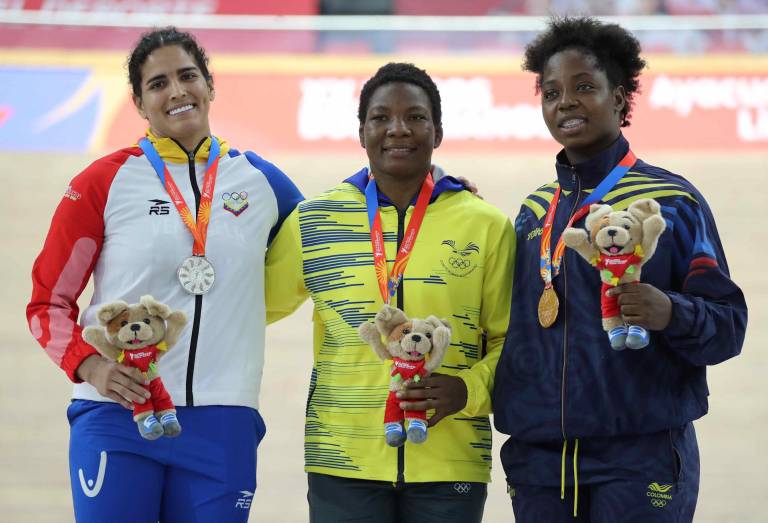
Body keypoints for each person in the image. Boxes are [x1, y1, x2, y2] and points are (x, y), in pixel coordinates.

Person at [26, 27, 303, 522]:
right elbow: (47, 303)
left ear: (210, 85)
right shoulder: (102, 182)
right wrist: (91, 367)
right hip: (118, 415)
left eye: (187, 76)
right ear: (138, 102)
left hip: (223, 419)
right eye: (158, 84)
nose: (176, 91)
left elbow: (334, 235)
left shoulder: (262, 181)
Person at [492, 17, 747, 523]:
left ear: (620, 97)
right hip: (540, 462)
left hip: (639, 458)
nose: (566, 102)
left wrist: (670, 311)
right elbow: (507, 327)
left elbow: (728, 326)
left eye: (585, 87)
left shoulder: (670, 202)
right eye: (551, 92)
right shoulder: (534, 212)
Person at [265, 62, 514, 523]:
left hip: (451, 460)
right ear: (362, 132)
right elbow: (248, 308)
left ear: (438, 132)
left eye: (415, 117)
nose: (398, 129)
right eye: (381, 117)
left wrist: (468, 390)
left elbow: (511, 340)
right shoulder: (314, 221)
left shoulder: (487, 225)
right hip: (341, 460)